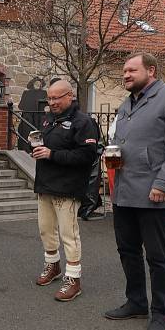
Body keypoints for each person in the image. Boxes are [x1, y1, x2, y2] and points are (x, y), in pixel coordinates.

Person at [104, 52, 165, 330]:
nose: (126, 75)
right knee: (127, 251)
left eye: (132, 70)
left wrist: (164, 183)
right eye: (124, 71)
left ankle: (161, 312)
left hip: (154, 192)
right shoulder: (126, 103)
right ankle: (137, 302)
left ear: (151, 70)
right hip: (124, 190)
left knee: (157, 256)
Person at [32, 80, 99, 302]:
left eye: (56, 98)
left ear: (70, 96)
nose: (52, 102)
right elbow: (49, 146)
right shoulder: (49, 118)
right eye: (49, 98)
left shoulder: (84, 122)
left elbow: (87, 156)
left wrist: (52, 154)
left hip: (68, 188)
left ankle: (73, 279)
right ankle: (53, 266)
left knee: (69, 234)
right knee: (45, 229)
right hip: (45, 185)